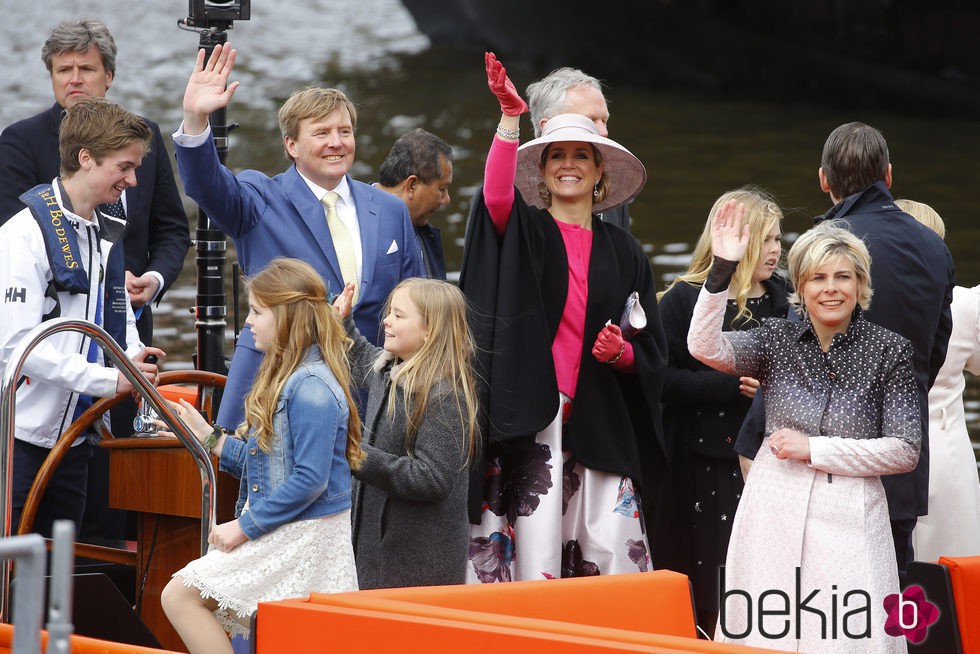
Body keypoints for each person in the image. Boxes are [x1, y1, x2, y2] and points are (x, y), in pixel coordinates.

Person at [460, 53, 667, 583]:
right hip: (529, 424)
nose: (568, 164)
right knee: (531, 565)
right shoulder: (526, 231)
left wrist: (622, 354)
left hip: (599, 428)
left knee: (614, 562)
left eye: (582, 155)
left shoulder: (627, 252)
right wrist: (510, 116)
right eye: (556, 155)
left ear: (600, 171)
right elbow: (495, 196)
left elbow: (651, 353)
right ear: (543, 168)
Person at [691, 208, 920, 652]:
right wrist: (721, 270)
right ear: (800, 286)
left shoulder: (890, 350)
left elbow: (904, 450)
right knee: (765, 631)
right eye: (817, 278)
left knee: (848, 635)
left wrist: (815, 448)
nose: (831, 289)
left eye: (842, 277)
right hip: (772, 511)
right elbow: (703, 347)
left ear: (860, 285)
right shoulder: (775, 338)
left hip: (852, 517)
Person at [734, 122, 954, 579]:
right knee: (888, 588)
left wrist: (756, 437)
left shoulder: (827, 248)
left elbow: (799, 353)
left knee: (820, 595)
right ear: (888, 176)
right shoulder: (934, 246)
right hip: (901, 451)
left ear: (823, 180)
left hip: (826, 464)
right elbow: (935, 351)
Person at [0, 18, 191, 542]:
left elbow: (117, 314)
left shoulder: (105, 233)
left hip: (78, 434)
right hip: (21, 435)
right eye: (124, 170)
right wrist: (113, 381)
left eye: (135, 170)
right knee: (12, 569)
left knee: (69, 563)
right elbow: (18, 347)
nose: (131, 182)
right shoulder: (22, 234)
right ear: (86, 159)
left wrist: (132, 358)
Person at [174, 43, 423, 430]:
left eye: (344, 131)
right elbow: (207, 185)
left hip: (367, 391)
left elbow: (416, 297)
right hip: (275, 387)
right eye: (321, 133)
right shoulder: (259, 198)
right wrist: (194, 120)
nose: (336, 142)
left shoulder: (388, 209)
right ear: (291, 145)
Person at [158, 258, 362, 653]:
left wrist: (243, 526)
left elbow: (310, 479)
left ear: (286, 316)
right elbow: (270, 466)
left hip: (305, 535)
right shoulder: (290, 375)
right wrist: (209, 436)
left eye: (256, 311)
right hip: (291, 529)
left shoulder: (312, 388)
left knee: (179, 597)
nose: (248, 322)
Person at [656, 187, 787, 634]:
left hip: (769, 462)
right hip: (702, 461)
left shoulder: (784, 301)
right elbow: (663, 382)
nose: (776, 250)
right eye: (767, 239)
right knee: (710, 572)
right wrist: (730, 386)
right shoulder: (681, 300)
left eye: (778, 239)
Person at [332, 277, 478, 588]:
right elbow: (357, 356)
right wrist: (344, 322)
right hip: (378, 553)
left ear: (430, 331)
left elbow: (432, 478)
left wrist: (358, 454)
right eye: (389, 313)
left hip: (417, 566)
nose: (386, 320)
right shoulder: (389, 370)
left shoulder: (444, 396)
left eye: (399, 315)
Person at [895, 199, 980, 562]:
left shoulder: (875, 300)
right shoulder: (964, 303)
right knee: (955, 550)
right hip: (945, 447)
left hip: (889, 446)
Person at [526, 66, 630, 231]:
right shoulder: (515, 205)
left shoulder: (614, 194)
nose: (604, 132)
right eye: (590, 120)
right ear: (548, 126)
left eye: (604, 121)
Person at [375, 128, 454, 280]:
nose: (446, 199)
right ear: (412, 185)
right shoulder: (356, 220)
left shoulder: (423, 228)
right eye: (442, 189)